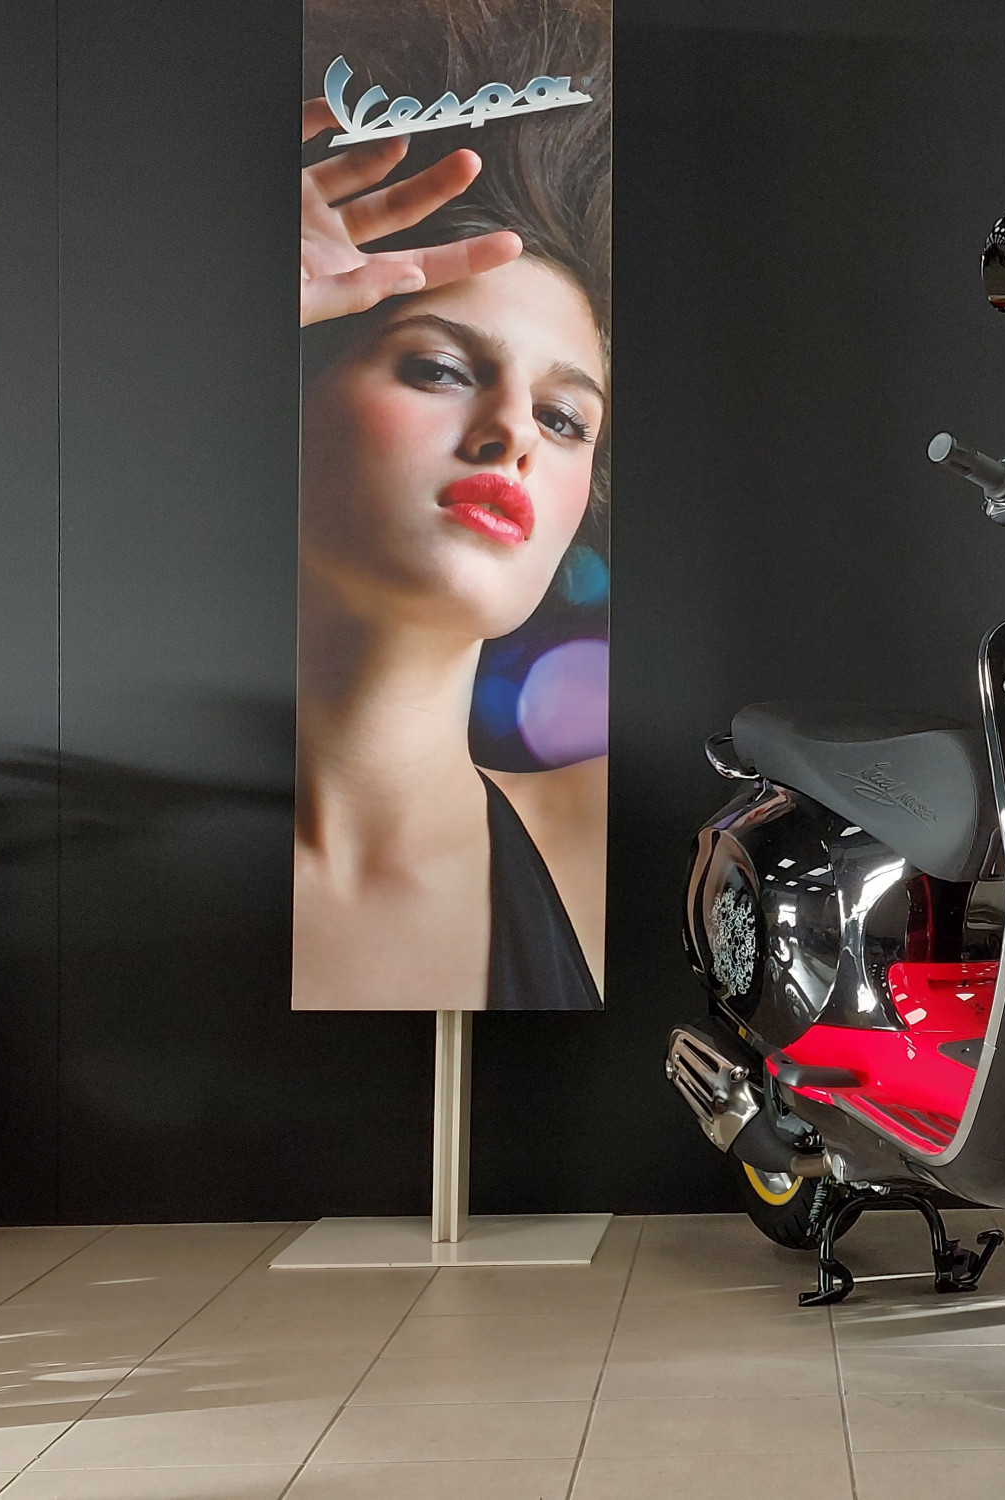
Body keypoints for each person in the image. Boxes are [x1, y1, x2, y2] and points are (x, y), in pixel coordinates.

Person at [293, 0, 610, 1011]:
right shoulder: (60, 839)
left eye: (564, 418)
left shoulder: (620, 841)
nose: (512, 432)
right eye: (436, 368)